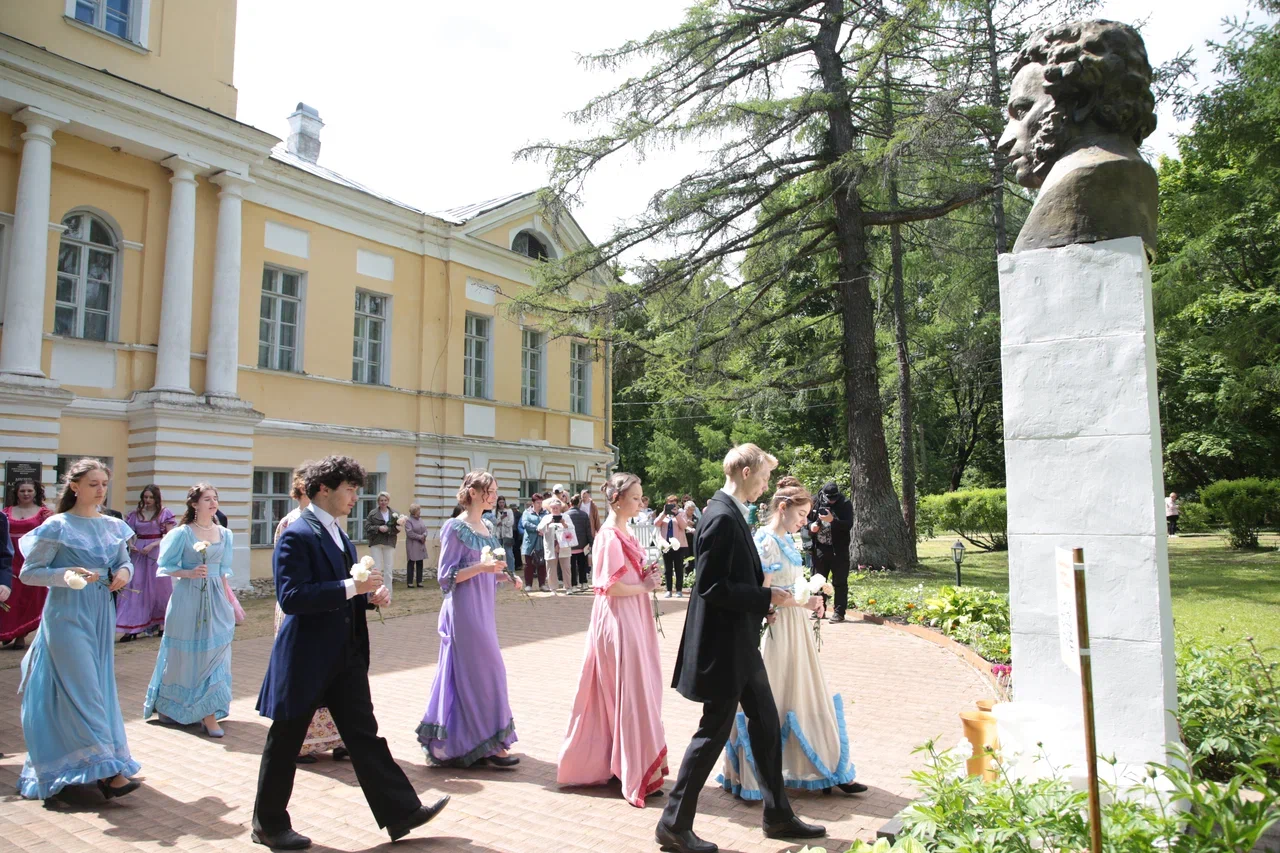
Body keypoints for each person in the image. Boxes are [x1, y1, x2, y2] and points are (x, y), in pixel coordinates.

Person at [255, 456, 449, 849]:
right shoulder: (297, 532)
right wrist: (351, 589)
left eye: (357, 489)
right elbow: (291, 597)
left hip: (344, 655)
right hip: (307, 656)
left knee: (364, 736)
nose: (355, 497)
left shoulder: (337, 534)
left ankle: (401, 812)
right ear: (322, 489)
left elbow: (345, 590)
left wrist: (368, 599)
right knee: (287, 739)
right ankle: (269, 825)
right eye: (349, 488)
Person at [658, 444, 824, 853]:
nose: (767, 484)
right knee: (712, 732)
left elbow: (732, 580)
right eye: (764, 476)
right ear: (746, 471)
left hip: (740, 644)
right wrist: (768, 600)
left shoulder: (730, 512)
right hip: (724, 647)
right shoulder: (721, 516)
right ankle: (674, 825)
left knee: (766, 724)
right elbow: (712, 587)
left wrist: (765, 600)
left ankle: (777, 814)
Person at [719, 476, 864, 800]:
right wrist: (804, 600)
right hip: (778, 629)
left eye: (806, 516)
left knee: (808, 691)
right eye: (800, 515)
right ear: (782, 508)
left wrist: (812, 592)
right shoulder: (766, 540)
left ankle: (825, 766)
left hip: (797, 625)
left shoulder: (790, 539)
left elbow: (792, 582)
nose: (804, 521)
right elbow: (765, 592)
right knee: (780, 693)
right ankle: (760, 775)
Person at [15, 458, 142, 801]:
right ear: (74, 486)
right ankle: (109, 771)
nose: (100, 490)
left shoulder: (113, 526)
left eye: (104, 484)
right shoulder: (56, 526)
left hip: (100, 613)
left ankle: (83, 763)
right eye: (93, 484)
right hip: (65, 615)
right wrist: (65, 575)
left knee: (96, 688)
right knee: (82, 687)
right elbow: (29, 573)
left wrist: (124, 574)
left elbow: (124, 561)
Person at [558, 472, 668, 806]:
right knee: (629, 690)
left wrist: (645, 576)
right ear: (617, 499)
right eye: (635, 497)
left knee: (635, 687)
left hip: (632, 614)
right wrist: (644, 586)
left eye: (641, 497)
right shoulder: (608, 535)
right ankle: (632, 767)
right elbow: (611, 586)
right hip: (619, 618)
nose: (640, 502)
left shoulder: (625, 530)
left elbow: (627, 578)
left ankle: (627, 763)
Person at [417, 470, 522, 768]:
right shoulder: (454, 527)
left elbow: (485, 571)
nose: (495, 495)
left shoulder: (487, 526)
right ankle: (488, 744)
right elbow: (445, 577)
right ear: (473, 492)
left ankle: (478, 742)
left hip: (483, 608)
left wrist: (505, 576)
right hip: (463, 611)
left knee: (481, 674)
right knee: (487, 671)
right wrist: (482, 568)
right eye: (490, 490)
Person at [142, 483, 235, 737]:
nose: (213, 503)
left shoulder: (225, 534)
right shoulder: (181, 534)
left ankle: (210, 711)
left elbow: (224, 571)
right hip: (187, 598)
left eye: (215, 498)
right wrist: (189, 573)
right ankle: (174, 706)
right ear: (194, 504)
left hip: (215, 597)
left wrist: (229, 602)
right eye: (207, 499)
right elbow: (165, 567)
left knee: (215, 652)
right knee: (184, 655)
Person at [272, 468, 347, 765]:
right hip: (304, 609)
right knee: (304, 680)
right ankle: (304, 743)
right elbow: (288, 580)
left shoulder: (333, 524)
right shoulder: (294, 524)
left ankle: (339, 739)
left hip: (332, 607)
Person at [117, 484, 175, 642]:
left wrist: (152, 545)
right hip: (138, 555)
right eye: (145, 497)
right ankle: (132, 626)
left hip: (155, 553)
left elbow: (169, 536)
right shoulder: (135, 515)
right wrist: (131, 545)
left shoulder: (164, 514)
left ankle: (162, 623)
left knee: (159, 589)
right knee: (135, 588)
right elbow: (128, 534)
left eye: (151, 497)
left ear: (157, 498)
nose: (147, 500)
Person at [2, 479, 52, 650]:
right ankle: (9, 630)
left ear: (36, 492)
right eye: (22, 491)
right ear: (16, 493)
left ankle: (20, 635)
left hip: (31, 558)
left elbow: (50, 538)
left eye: (29, 491)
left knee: (27, 598)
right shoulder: (6, 512)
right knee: (8, 596)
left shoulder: (44, 514)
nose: (26, 494)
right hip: (10, 559)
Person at [809, 482, 853, 624]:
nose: (832, 501)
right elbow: (806, 520)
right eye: (830, 498)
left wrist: (833, 521)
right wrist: (811, 527)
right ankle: (819, 610)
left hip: (839, 549)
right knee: (818, 580)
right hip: (821, 547)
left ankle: (839, 612)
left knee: (840, 581)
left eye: (834, 498)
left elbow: (848, 524)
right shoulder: (815, 501)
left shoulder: (845, 503)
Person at [654, 496, 692, 599]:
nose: (672, 505)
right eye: (670, 503)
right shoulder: (664, 514)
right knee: (668, 569)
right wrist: (664, 513)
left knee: (679, 568)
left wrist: (676, 514)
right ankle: (668, 590)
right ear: (666, 503)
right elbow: (656, 523)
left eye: (674, 503)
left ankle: (679, 590)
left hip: (678, 545)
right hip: (666, 545)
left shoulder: (681, 513)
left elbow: (684, 526)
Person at [539, 496, 578, 594]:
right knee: (551, 568)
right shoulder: (546, 517)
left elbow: (572, 529)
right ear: (550, 508)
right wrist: (548, 524)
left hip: (563, 546)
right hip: (551, 546)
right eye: (553, 508)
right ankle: (553, 588)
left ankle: (568, 587)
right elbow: (539, 529)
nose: (555, 510)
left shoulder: (566, 517)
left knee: (566, 567)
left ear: (560, 508)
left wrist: (564, 524)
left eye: (556, 508)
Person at [365, 491, 400, 589]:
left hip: (389, 542)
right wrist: (378, 528)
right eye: (381, 500)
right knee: (376, 569)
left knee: (388, 569)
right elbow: (367, 527)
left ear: (388, 501)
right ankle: (376, 591)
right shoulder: (372, 513)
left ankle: (388, 593)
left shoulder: (394, 514)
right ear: (378, 502)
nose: (383, 502)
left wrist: (389, 529)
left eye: (385, 500)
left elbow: (397, 528)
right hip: (376, 542)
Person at [566, 495, 594, 593]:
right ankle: (584, 583)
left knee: (572, 565)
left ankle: (573, 585)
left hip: (571, 544)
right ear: (579, 503)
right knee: (582, 564)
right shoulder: (584, 515)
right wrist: (591, 542)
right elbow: (588, 530)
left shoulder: (566, 514)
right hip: (582, 545)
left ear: (570, 503)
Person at [404, 504, 428, 588]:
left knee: (420, 562)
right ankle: (410, 582)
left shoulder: (420, 519)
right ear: (414, 512)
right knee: (411, 562)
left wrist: (424, 535)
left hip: (420, 543)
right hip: (412, 544)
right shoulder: (408, 521)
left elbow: (425, 529)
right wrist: (420, 537)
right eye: (418, 510)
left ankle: (419, 581)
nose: (420, 511)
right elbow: (409, 533)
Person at [494, 495, 516, 563]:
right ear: (497, 503)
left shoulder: (509, 511)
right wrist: (500, 518)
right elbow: (494, 522)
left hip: (507, 535)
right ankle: (499, 570)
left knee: (509, 553)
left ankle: (511, 570)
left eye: (503, 502)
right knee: (498, 554)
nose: (501, 504)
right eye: (500, 502)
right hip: (497, 535)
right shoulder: (494, 511)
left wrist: (503, 523)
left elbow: (511, 522)